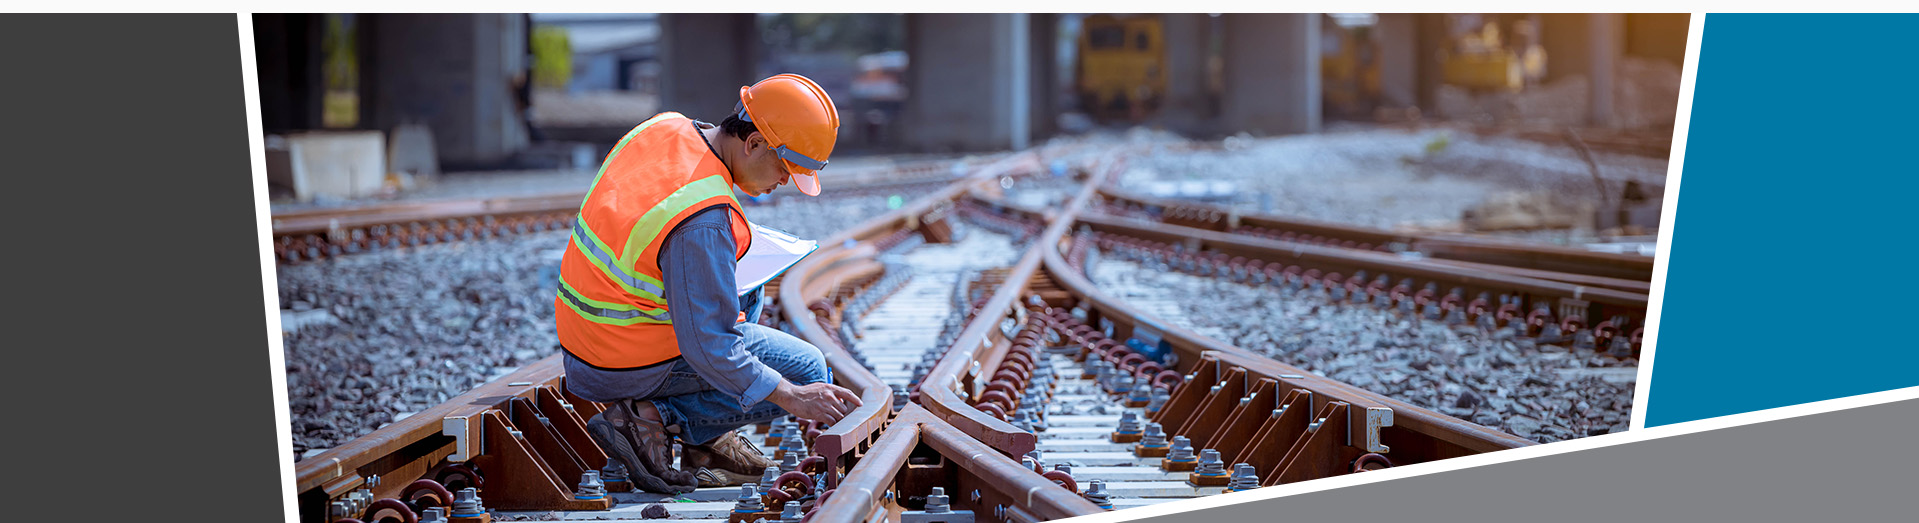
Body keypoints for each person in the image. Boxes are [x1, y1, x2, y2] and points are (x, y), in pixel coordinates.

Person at [553, 74, 862, 494]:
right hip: (619, 359)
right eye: (785, 168)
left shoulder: (665, 127)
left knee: (746, 286)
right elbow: (710, 347)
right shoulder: (703, 221)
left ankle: (703, 443)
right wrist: (792, 395)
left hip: (588, 334)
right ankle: (650, 417)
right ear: (752, 143)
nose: (785, 182)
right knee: (807, 369)